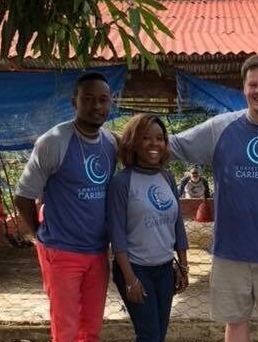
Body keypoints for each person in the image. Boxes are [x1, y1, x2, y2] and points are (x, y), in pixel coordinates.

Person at [169, 54, 258, 342]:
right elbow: (174, 145)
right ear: (243, 88)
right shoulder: (220, 128)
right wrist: (129, 140)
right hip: (230, 251)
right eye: (252, 84)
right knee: (234, 324)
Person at [14, 71, 117, 342]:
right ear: (75, 101)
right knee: (66, 329)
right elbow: (23, 195)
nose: (97, 106)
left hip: (98, 252)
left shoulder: (111, 143)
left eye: (103, 100)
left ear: (110, 103)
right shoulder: (54, 141)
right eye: (89, 99)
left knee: (91, 328)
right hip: (61, 252)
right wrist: (40, 233)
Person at [107, 114, 189, 342]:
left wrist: (183, 265)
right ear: (133, 142)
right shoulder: (121, 182)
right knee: (149, 335)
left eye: (160, 138)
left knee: (158, 334)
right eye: (146, 138)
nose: (155, 144)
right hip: (135, 269)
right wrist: (130, 278)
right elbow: (117, 234)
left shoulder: (168, 177)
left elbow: (178, 224)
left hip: (164, 270)